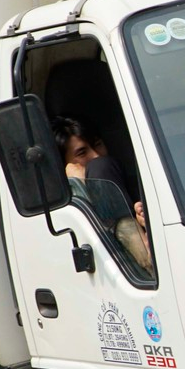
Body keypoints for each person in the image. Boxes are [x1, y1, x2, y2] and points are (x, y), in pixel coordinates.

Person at [53, 117, 154, 274]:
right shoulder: (66, 210)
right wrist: (78, 186)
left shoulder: (139, 188)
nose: (96, 155)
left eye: (98, 145)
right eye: (82, 152)